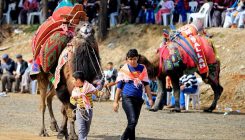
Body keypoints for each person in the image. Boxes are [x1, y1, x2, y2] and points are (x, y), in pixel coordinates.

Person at [113, 49, 153, 140]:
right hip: (127, 97)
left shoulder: (142, 68)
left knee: (133, 123)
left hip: (138, 99)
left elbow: (146, 84)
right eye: (130, 59)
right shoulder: (124, 69)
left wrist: (150, 98)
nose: (132, 61)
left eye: (134, 59)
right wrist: (115, 102)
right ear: (127, 59)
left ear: (137, 58)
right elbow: (119, 86)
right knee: (133, 121)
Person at [70, 71, 98, 140]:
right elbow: (72, 99)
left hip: (89, 110)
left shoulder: (89, 87)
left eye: (73, 79)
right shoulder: (75, 90)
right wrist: (76, 104)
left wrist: (102, 90)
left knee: (86, 128)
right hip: (80, 110)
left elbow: (97, 93)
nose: (72, 81)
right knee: (81, 128)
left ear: (78, 80)